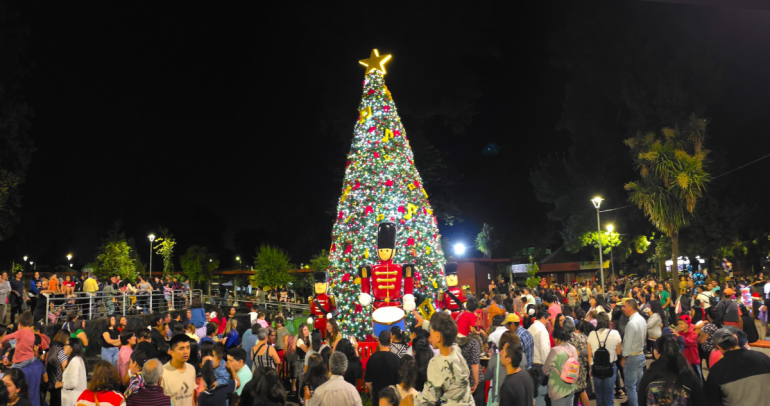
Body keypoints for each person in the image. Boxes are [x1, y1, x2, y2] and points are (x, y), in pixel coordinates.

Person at [410, 312, 473, 406]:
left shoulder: (436, 364)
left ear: (438, 336)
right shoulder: (456, 350)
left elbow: (428, 399)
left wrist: (411, 402)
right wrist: (424, 323)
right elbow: (445, 332)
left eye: (431, 332)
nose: (429, 336)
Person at [705, 327, 770, 404]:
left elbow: (712, 400)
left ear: (719, 347)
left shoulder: (716, 370)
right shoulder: (763, 358)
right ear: (736, 339)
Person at [637, 335, 706, 406]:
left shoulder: (649, 375)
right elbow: (700, 400)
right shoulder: (688, 374)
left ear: (657, 353)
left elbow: (641, 400)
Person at [587, 313, 622, 406]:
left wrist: (590, 368)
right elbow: (618, 352)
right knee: (609, 396)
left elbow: (589, 354)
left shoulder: (592, 334)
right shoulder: (615, 333)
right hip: (610, 367)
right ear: (608, 321)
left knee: (599, 396)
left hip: (596, 367)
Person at [542, 318, 578, 406]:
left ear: (557, 338)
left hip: (558, 389)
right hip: (571, 386)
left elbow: (545, 370)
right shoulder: (573, 349)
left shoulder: (555, 350)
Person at [620, 298, 647, 406]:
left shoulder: (631, 323)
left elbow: (627, 344)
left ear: (631, 307)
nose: (623, 309)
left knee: (630, 387)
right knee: (639, 386)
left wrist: (623, 358)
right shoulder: (641, 319)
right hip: (640, 355)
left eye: (624, 307)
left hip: (632, 357)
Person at [364, 330, 401, 405]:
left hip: (377, 400)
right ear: (390, 342)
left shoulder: (372, 358)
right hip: (392, 401)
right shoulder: (397, 359)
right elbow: (400, 382)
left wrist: (373, 396)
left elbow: (368, 383)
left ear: (379, 342)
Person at [161, 335, 195, 406]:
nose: (186, 352)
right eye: (181, 348)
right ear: (171, 352)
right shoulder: (163, 372)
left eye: (188, 348)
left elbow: (192, 397)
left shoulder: (191, 369)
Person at [528, 308, 550, 406]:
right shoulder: (542, 330)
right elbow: (544, 350)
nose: (548, 323)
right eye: (548, 320)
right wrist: (548, 368)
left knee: (534, 393)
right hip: (540, 366)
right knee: (540, 394)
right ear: (542, 318)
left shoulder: (531, 328)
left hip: (531, 364)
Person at [62, 338, 87, 406]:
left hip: (73, 401)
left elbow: (74, 383)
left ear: (72, 347)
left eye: (66, 345)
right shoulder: (77, 360)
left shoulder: (75, 361)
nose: (64, 347)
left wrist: (61, 384)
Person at [46, 331, 69, 406]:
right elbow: (65, 368)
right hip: (59, 383)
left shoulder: (53, 348)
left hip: (52, 381)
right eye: (68, 339)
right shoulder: (61, 351)